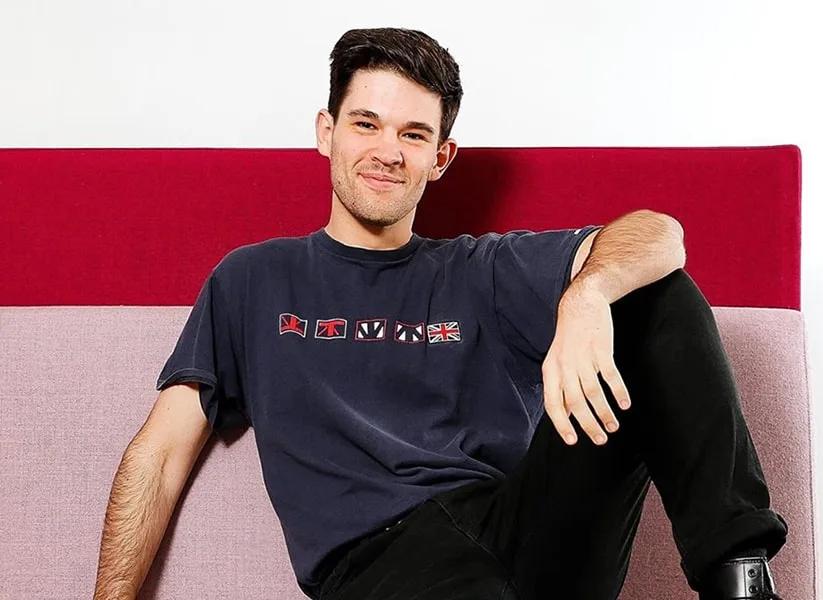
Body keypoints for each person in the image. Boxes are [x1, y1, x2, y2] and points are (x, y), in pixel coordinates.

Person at [93, 27, 788, 600]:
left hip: (526, 525)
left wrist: (588, 294)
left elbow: (661, 234)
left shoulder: (480, 269)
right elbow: (157, 456)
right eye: (367, 124)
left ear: (440, 157)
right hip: (385, 563)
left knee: (653, 293)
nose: (388, 151)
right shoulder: (251, 279)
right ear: (326, 132)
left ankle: (741, 582)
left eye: (414, 134)